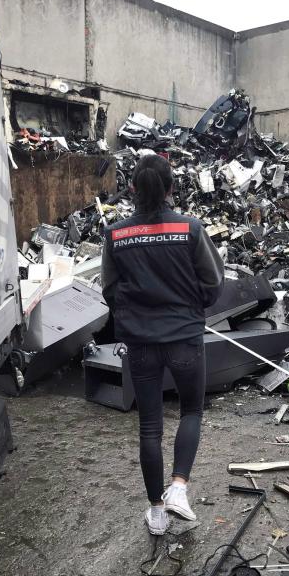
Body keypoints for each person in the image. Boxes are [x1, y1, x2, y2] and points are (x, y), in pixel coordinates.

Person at [101, 154, 225, 535]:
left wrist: (135, 312)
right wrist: (190, 306)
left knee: (149, 426)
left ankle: (157, 511)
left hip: (140, 343)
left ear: (132, 189)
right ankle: (179, 488)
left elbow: (109, 291)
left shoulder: (116, 235)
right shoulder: (189, 229)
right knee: (192, 411)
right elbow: (213, 283)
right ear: (171, 187)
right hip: (185, 338)